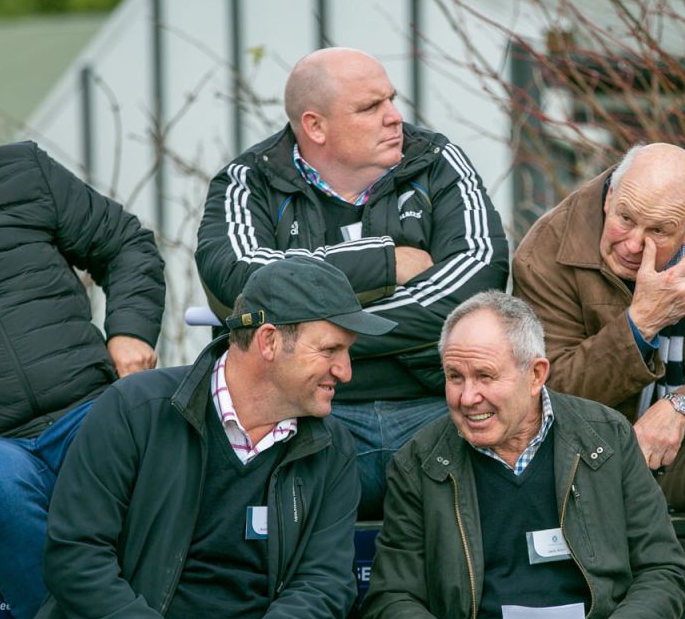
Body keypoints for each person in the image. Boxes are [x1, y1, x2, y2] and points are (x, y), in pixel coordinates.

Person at [0, 256, 406, 619]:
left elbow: (322, 586)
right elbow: (77, 559)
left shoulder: (332, 446)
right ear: (270, 342)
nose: (345, 370)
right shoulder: (135, 409)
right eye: (332, 350)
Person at [364, 291, 685, 619]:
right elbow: (391, 599)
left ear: (536, 374)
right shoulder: (420, 462)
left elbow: (664, 570)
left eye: (484, 376)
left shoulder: (606, 438)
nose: (466, 396)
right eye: (454, 377)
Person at [0, 74, 165, 619]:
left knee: (165, 435)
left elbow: (125, 245)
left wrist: (130, 331)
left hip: (83, 410)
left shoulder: (26, 171)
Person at [196, 47, 509, 518]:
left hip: (437, 404)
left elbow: (477, 281)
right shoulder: (249, 180)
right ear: (315, 126)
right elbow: (244, 281)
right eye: (370, 108)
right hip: (307, 416)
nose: (395, 118)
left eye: (391, 100)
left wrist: (314, 332)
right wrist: (388, 263)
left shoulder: (437, 160)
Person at [513, 143, 685, 511]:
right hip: (582, 458)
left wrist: (681, 408)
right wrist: (642, 322)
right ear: (609, 197)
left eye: (659, 231)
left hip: (681, 451)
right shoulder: (546, 250)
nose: (633, 244)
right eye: (625, 219)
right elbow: (550, 390)